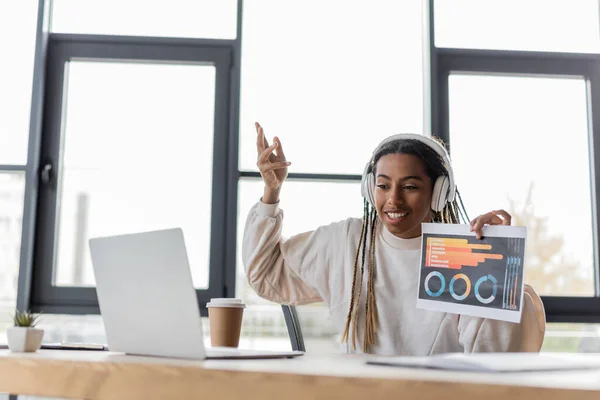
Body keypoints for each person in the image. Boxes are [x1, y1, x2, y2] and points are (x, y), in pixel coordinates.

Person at [243, 122, 545, 355]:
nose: (393, 200)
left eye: (410, 187)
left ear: (439, 192)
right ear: (369, 187)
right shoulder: (347, 242)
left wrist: (496, 261)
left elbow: (498, 359)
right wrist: (271, 195)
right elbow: (267, 276)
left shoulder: (461, 253)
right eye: (384, 186)